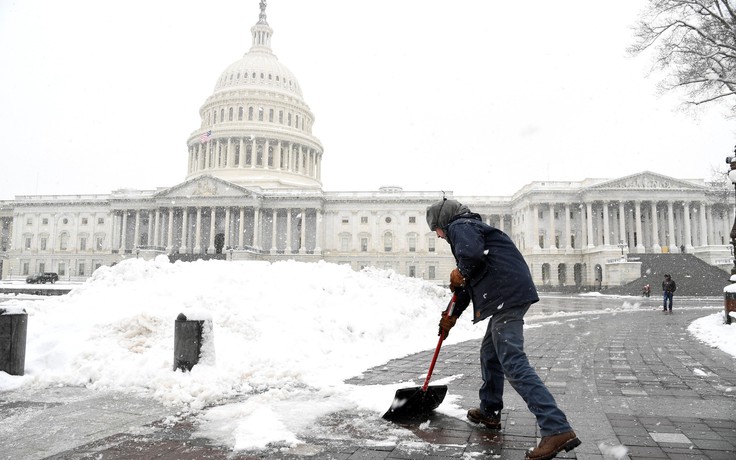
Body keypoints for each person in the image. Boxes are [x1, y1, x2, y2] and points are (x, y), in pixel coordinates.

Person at [426, 198, 581, 460]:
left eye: (436, 229)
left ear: (443, 221)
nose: (438, 235)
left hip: (506, 297)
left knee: (513, 361)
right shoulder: (468, 233)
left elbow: (470, 262)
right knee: (490, 353)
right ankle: (490, 410)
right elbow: (465, 284)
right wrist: (450, 317)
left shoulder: (461, 225)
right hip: (507, 295)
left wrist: (460, 270)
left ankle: (556, 428)